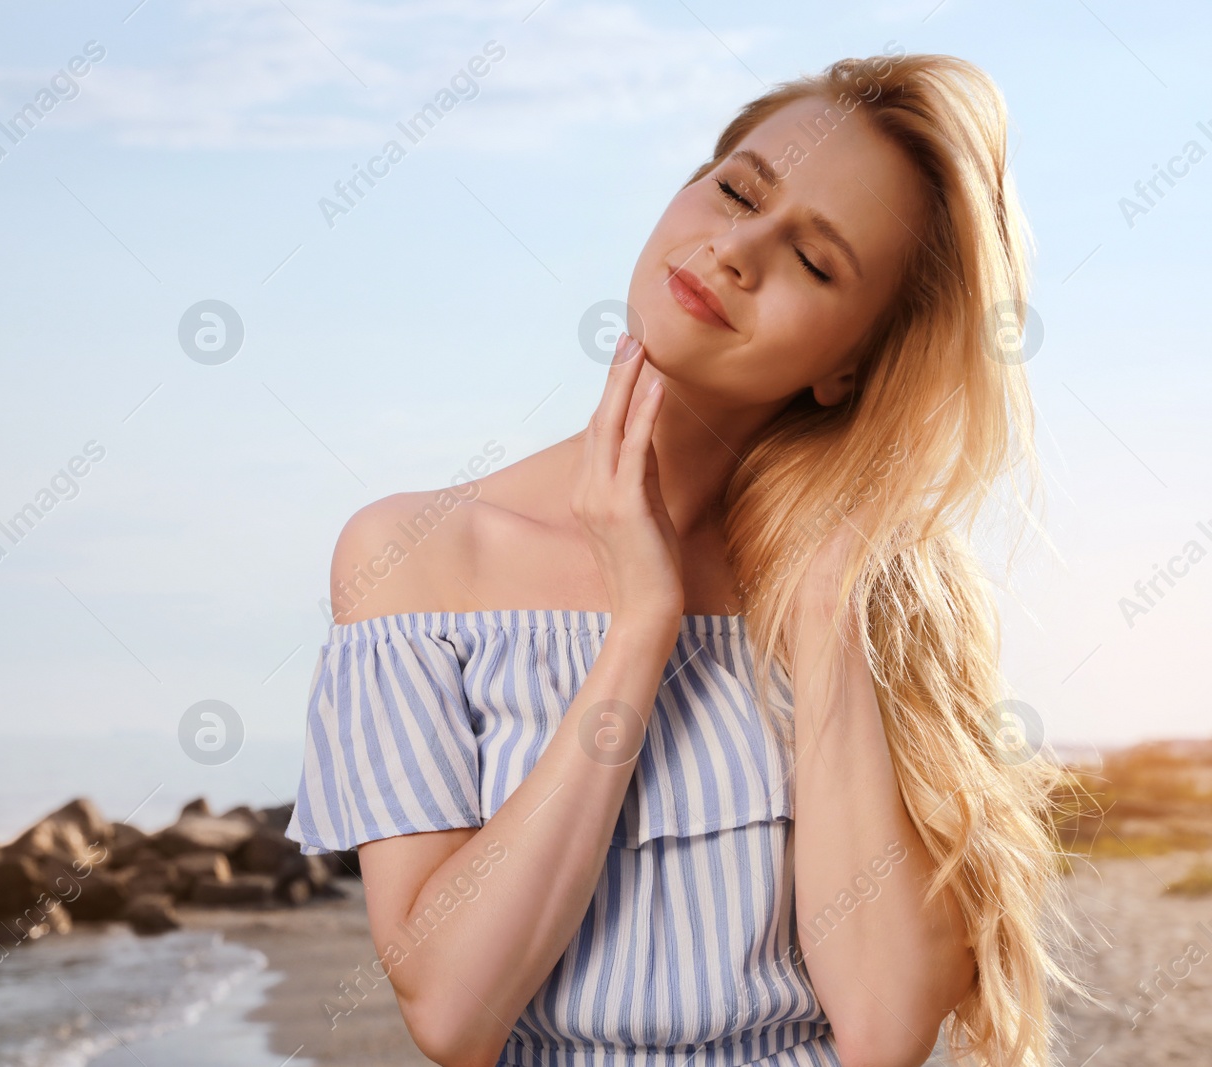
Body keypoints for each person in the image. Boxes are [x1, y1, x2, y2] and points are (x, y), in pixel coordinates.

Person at [285, 51, 1076, 1067]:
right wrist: (640, 625)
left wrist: (830, 608)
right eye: (737, 190)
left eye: (816, 262)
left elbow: (880, 1030)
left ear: (851, 364)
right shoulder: (413, 556)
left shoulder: (879, 592)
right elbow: (453, 1010)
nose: (738, 249)